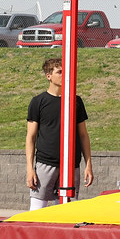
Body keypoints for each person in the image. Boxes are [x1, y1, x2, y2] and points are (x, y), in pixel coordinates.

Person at [25, 57, 93, 210]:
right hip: (45, 163)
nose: (64, 75)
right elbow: (31, 137)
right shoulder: (38, 102)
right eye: (60, 72)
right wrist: (30, 169)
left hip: (71, 165)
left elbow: (83, 135)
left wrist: (88, 164)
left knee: (66, 213)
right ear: (48, 76)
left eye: (66, 72)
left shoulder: (76, 101)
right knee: (37, 212)